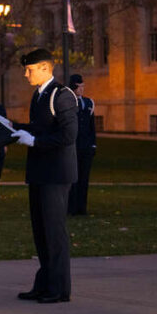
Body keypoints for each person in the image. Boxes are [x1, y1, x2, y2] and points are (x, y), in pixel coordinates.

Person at [11, 48, 78, 303]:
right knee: (41, 232)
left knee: (54, 232)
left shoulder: (62, 96)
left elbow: (68, 135)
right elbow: (39, 129)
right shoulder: (39, 95)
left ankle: (59, 289)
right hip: (40, 173)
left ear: (45, 69)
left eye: (29, 69)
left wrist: (35, 141)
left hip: (56, 174)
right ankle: (45, 283)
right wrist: (13, 127)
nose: (26, 74)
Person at [67, 74, 96, 216]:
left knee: (84, 179)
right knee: (73, 179)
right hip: (73, 147)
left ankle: (82, 208)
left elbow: (92, 127)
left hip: (85, 147)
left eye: (83, 86)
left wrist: (93, 145)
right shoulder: (68, 102)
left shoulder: (88, 102)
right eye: (79, 87)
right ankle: (71, 207)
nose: (82, 89)